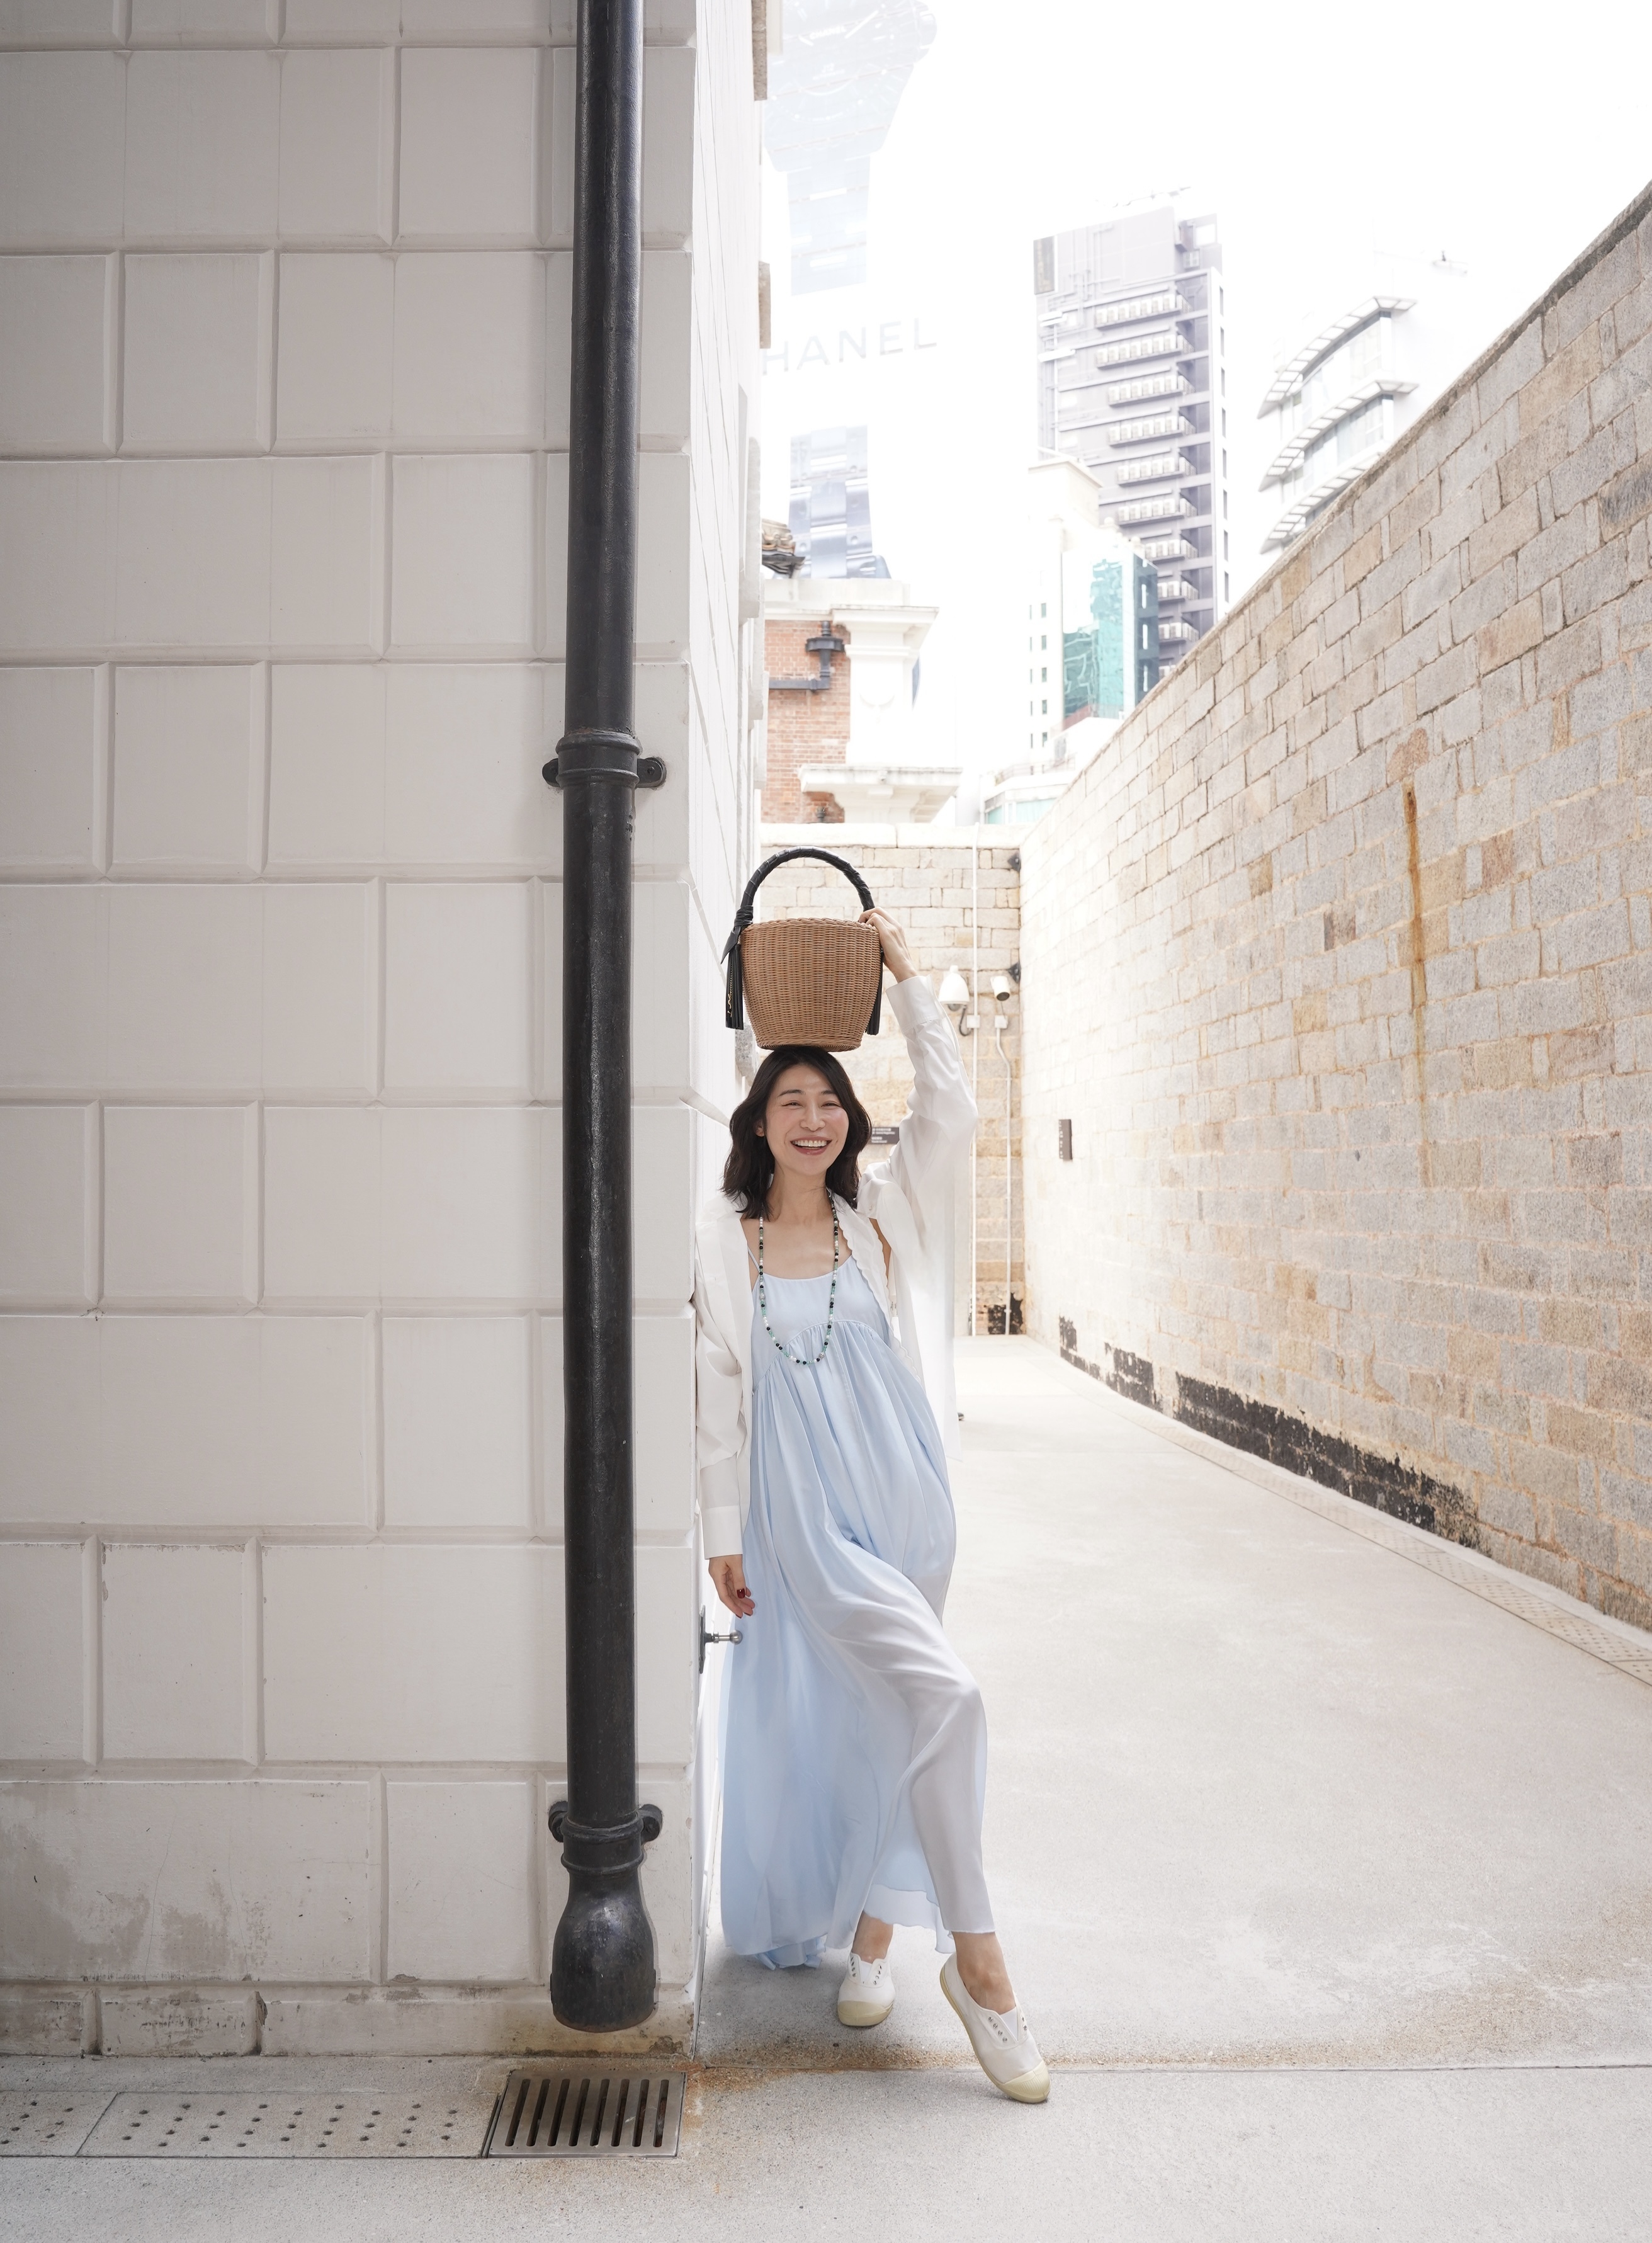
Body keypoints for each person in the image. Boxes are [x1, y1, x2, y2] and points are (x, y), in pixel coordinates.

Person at [694, 907, 1048, 2104]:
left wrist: (905, 978)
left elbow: (952, 1110)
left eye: (830, 1101)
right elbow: (716, 1400)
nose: (814, 1117)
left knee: (893, 1720)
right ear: (758, 1123)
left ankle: (875, 1939)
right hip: (806, 1526)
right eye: (789, 1100)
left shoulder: (880, 1218)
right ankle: (983, 1968)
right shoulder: (725, 1242)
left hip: (907, 1509)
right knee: (947, 1696)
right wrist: (723, 1535)